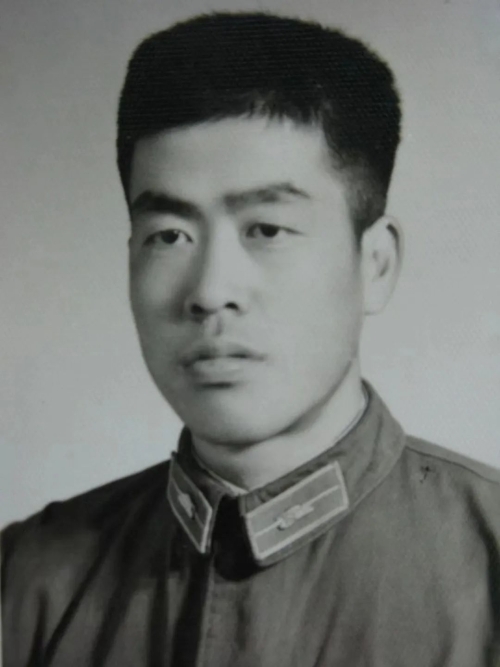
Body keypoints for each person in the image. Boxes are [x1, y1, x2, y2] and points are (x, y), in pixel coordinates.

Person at [2, 11, 499, 667]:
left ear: (375, 264)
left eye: (266, 229)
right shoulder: (26, 581)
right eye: (169, 236)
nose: (210, 290)